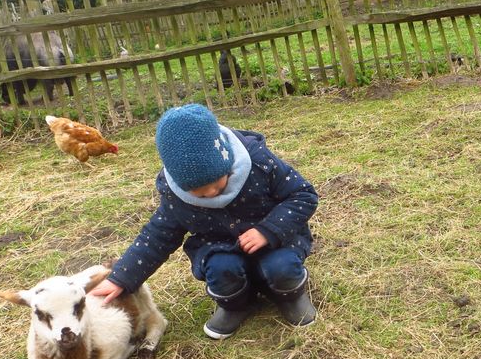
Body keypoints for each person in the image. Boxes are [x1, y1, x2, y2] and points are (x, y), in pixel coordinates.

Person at [89, 104, 319, 339]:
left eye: (218, 183)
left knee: (282, 266)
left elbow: (303, 195)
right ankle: (237, 304)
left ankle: (290, 296)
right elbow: (156, 237)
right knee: (220, 270)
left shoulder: (259, 163)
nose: (211, 194)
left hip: (274, 242)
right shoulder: (175, 196)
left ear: (226, 160)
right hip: (220, 246)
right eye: (198, 192)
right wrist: (121, 278)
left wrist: (268, 230)